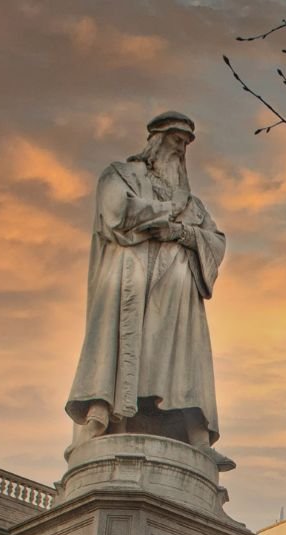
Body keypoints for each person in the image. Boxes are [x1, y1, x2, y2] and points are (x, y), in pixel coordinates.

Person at [66, 111, 226, 448]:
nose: (180, 149)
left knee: (179, 361)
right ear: (156, 138)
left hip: (176, 291)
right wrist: (164, 212)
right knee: (121, 345)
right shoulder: (120, 175)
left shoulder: (192, 204)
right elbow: (116, 212)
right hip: (129, 279)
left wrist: (180, 232)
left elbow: (215, 240)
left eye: (185, 144)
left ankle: (194, 434)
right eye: (175, 140)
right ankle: (103, 412)